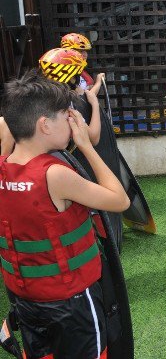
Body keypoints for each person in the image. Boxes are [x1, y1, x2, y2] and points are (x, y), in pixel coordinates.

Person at [0, 70, 129, 359]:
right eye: (66, 115)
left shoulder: (3, 165)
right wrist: (85, 145)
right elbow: (119, 199)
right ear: (44, 125)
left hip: (26, 299)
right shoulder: (55, 175)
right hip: (72, 302)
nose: (73, 122)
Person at [1, 48, 101, 156]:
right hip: (55, 158)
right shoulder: (63, 104)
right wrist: (95, 104)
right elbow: (93, 138)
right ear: (71, 77)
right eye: (76, 76)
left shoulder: (33, 96)